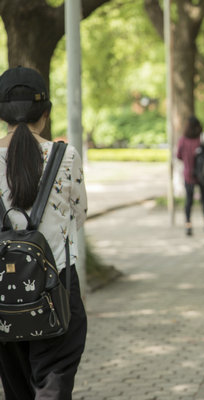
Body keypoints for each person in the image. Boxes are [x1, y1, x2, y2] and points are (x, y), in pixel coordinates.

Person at [0, 66, 88, 399]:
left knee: (16, 391)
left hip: (3, 294)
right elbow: (78, 216)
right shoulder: (66, 157)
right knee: (53, 386)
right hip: (56, 292)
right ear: (45, 113)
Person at [177, 116, 204, 235]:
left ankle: (188, 225)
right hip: (203, 174)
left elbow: (178, 156)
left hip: (188, 174)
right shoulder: (203, 138)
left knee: (189, 200)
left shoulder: (183, 140)